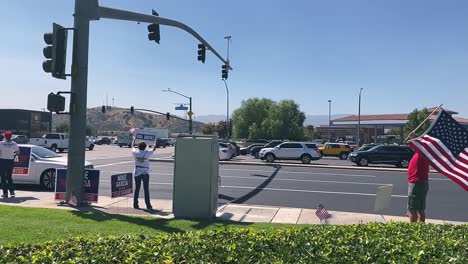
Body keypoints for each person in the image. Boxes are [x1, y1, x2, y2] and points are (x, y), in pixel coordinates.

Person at [407, 132, 430, 223]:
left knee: (412, 209)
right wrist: (413, 137)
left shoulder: (422, 152)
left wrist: (412, 137)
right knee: (420, 208)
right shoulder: (423, 153)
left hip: (417, 182)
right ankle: (420, 228)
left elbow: (410, 142)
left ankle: (414, 230)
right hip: (420, 182)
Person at [131, 137, 157, 210]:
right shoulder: (147, 153)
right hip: (145, 171)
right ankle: (148, 205)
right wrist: (155, 142)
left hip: (137, 171)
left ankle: (135, 204)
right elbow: (154, 148)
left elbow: (132, 147)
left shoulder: (135, 153)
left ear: (138, 147)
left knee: (137, 189)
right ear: (145, 147)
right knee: (146, 189)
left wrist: (133, 140)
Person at [0, 131, 20, 198]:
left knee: (3, 177)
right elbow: (18, 152)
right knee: (9, 177)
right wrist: (12, 154)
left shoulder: (1, 143)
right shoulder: (14, 143)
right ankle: (12, 192)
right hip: (10, 161)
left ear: (4, 136)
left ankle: (5, 193)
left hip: (2, 161)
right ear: (11, 136)